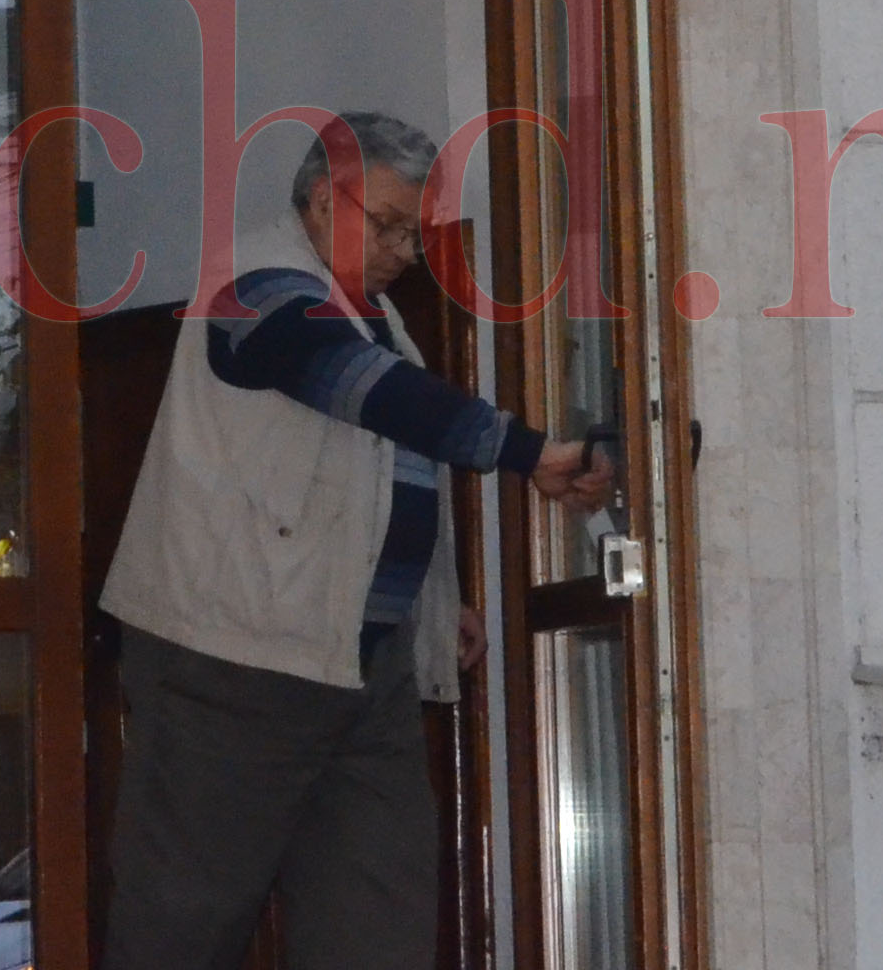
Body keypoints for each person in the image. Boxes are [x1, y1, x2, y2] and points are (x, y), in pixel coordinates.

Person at [93, 111, 620, 970]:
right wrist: (528, 453)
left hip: (364, 671)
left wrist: (432, 607)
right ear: (318, 198)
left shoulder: (375, 317)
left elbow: (374, 484)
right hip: (232, 664)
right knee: (181, 931)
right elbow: (371, 395)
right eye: (388, 225)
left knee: (378, 931)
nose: (405, 251)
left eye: (415, 232)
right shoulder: (254, 291)